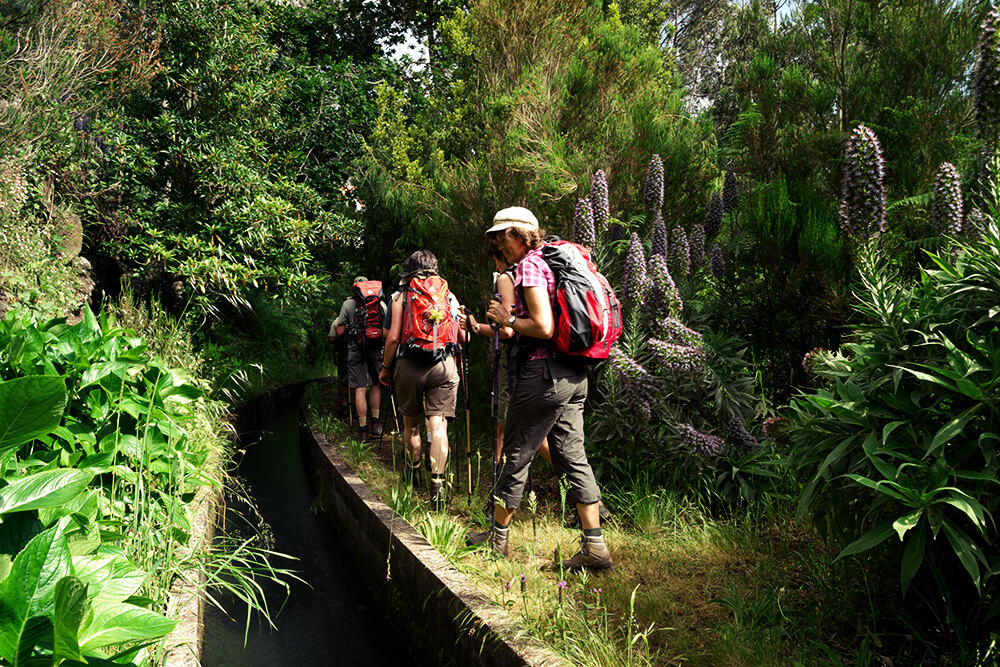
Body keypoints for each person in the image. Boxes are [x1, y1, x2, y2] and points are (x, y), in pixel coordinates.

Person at [466, 206, 612, 572]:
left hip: (543, 374)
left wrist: (508, 319)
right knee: (572, 456)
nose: (500, 245)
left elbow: (543, 327)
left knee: (516, 452)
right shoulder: (553, 261)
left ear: (518, 235)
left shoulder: (530, 265)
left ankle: (497, 538)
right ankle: (595, 547)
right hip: (573, 373)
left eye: (502, 237)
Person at [379, 251, 465, 509]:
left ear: (410, 270)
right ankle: (437, 486)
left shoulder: (400, 296)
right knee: (438, 426)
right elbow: (463, 337)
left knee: (412, 424)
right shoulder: (449, 295)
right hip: (443, 366)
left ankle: (414, 469)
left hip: (409, 365)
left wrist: (385, 369)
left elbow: (393, 337)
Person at [460, 239, 553, 471]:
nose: (496, 266)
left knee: (507, 423)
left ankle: (501, 477)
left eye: (496, 259)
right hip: (540, 360)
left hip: (513, 361)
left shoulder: (507, 277)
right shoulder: (536, 268)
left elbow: (507, 330)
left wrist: (475, 326)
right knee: (528, 425)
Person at [333, 276, 387, 440]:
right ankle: (376, 424)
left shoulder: (348, 304)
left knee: (360, 388)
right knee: (375, 385)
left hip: (356, 349)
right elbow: (386, 328)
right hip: (376, 349)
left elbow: (339, 331)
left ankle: (363, 429)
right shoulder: (380, 303)